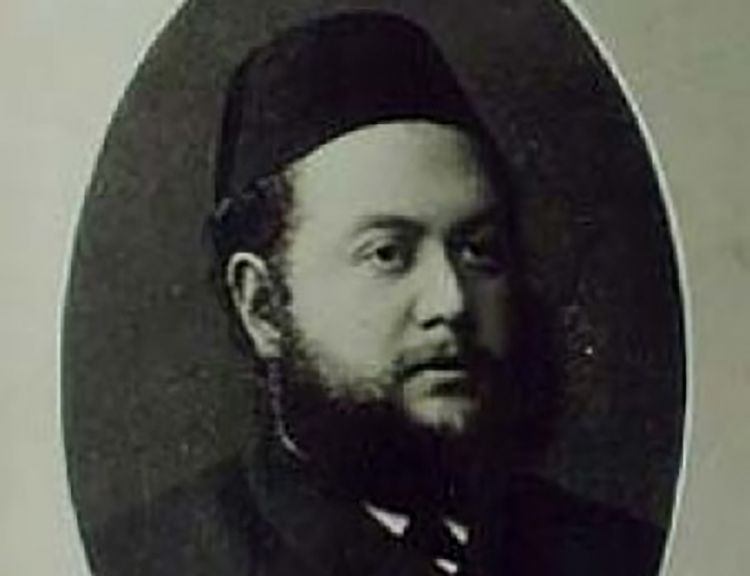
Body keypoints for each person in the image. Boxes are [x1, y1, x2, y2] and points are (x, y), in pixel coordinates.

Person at [87, 11, 664, 576]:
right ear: (261, 305)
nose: (452, 302)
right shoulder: (147, 562)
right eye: (388, 253)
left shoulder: (623, 557)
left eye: (478, 250)